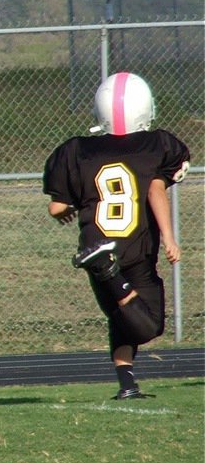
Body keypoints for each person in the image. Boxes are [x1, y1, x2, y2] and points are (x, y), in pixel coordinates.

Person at [43, 71, 190, 400]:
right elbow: (155, 191)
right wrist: (168, 236)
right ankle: (109, 273)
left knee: (122, 316)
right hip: (137, 247)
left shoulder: (77, 150)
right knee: (149, 325)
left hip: (96, 242)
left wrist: (69, 209)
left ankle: (127, 386)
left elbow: (57, 208)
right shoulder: (157, 146)